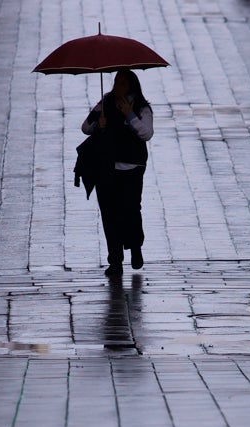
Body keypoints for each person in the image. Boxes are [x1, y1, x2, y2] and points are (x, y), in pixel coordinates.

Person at [81, 69, 154, 277]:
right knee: (109, 215)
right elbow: (85, 126)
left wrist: (129, 115)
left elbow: (146, 133)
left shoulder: (141, 108)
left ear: (131, 86)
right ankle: (115, 261)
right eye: (116, 82)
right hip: (106, 167)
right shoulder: (105, 103)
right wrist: (98, 124)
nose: (117, 87)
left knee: (130, 209)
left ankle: (135, 246)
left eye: (122, 83)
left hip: (132, 168)